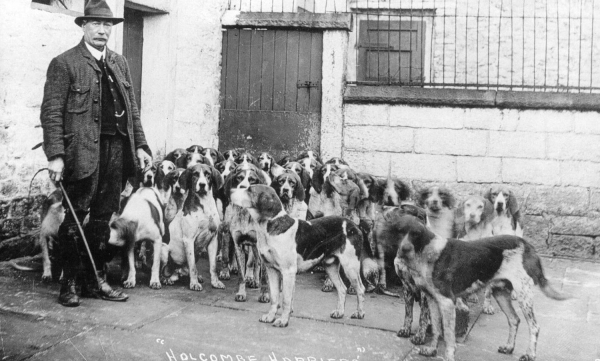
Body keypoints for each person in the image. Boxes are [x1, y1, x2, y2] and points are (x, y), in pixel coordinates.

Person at [40, 0, 153, 307]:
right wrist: (56, 155)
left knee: (103, 218)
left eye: (107, 25)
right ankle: (70, 284)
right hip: (81, 153)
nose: (102, 30)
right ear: (84, 26)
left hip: (117, 150)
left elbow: (132, 112)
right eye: (96, 24)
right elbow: (51, 114)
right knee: (75, 218)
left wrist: (140, 145)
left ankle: (96, 280)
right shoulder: (65, 63)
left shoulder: (119, 63)